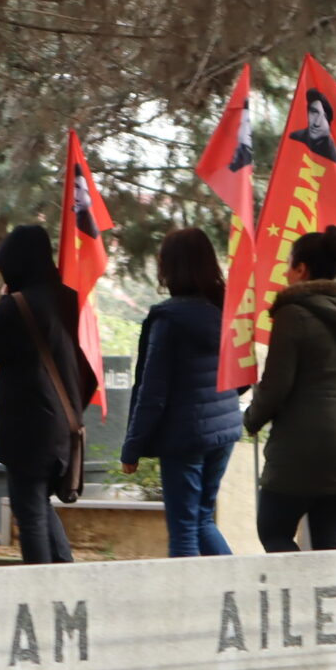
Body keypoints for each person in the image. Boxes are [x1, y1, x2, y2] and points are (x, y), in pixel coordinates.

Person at [243, 226, 336, 553]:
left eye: (289, 265)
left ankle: (298, 601)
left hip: (300, 452)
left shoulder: (292, 313)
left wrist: (251, 419)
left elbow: (276, 386)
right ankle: (330, 604)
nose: (286, 274)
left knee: (273, 531)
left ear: (302, 269)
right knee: (329, 544)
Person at [119, 228, 243, 558]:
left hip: (184, 436)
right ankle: (233, 594)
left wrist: (132, 448)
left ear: (170, 265)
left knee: (184, 530)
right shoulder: (225, 312)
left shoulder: (169, 319)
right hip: (224, 430)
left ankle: (188, 608)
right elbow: (242, 376)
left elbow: (152, 392)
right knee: (202, 519)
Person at [0, 226, 94, 565]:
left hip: (28, 430)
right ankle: (65, 581)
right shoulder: (69, 299)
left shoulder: (15, 306)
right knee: (39, 506)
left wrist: (3, 297)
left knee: (30, 519)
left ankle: (42, 595)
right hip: (64, 424)